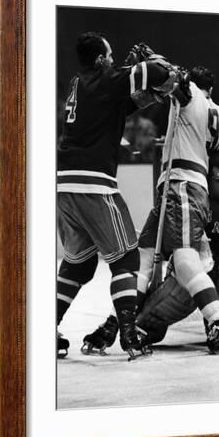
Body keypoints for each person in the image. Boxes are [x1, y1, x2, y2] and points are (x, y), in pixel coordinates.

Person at [83, 65, 219, 355]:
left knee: (183, 260)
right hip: (173, 190)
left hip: (183, 186)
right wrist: (213, 148)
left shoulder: (189, 97)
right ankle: (118, 324)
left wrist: (149, 62)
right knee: (143, 260)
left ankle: (217, 325)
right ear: (211, 90)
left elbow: (174, 82)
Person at [57, 32, 177, 360]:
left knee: (77, 267)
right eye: (109, 56)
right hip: (95, 185)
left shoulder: (78, 84)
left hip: (65, 186)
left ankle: (45, 327)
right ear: (99, 60)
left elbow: (123, 102)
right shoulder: (108, 78)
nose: (113, 60)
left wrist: (140, 84)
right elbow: (159, 72)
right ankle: (128, 335)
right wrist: (158, 65)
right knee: (126, 259)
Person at [82, 150, 219, 352]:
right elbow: (143, 267)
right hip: (190, 282)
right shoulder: (174, 206)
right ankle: (116, 325)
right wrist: (116, 319)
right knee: (146, 324)